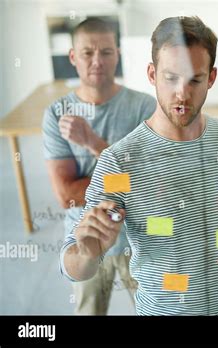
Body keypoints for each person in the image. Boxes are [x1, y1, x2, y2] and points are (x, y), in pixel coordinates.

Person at [59, 16, 218, 316]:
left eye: (195, 80)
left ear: (211, 78)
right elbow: (73, 265)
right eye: (170, 78)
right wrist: (87, 255)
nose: (182, 94)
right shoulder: (120, 161)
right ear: (152, 73)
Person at [43, 18, 156, 314]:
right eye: (87, 53)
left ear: (117, 54)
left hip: (140, 239)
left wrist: (93, 143)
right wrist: (125, 180)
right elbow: (66, 193)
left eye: (106, 52)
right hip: (84, 239)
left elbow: (150, 185)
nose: (97, 61)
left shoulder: (144, 107)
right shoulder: (57, 113)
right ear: (73, 57)